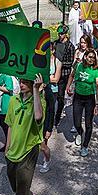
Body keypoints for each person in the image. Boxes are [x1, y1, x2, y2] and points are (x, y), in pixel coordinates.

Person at [4, 73, 46, 195]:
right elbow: (10, 125)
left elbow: (38, 117)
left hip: (28, 153)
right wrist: (7, 149)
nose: (21, 84)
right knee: (17, 188)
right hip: (12, 153)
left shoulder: (38, 102)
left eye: (25, 82)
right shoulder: (13, 101)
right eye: (20, 81)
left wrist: (36, 90)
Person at [66, 48, 98, 157]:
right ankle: (80, 133)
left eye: (93, 57)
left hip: (89, 98)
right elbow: (71, 76)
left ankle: (85, 146)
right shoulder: (78, 66)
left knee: (88, 124)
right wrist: (68, 87)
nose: (92, 59)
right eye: (90, 57)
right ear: (85, 56)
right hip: (78, 97)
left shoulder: (95, 70)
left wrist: (97, 104)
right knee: (77, 123)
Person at [39, 42, 60, 173]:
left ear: (52, 50)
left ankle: (46, 160)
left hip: (51, 92)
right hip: (37, 113)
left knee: (44, 140)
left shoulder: (57, 62)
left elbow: (56, 79)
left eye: (49, 50)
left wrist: (49, 128)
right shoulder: (40, 62)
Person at [54, 24, 75, 127]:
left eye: (61, 34)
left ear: (66, 34)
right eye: (59, 33)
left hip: (63, 75)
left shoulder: (70, 46)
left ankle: (57, 117)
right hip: (53, 74)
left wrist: (60, 64)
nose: (59, 35)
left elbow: (70, 62)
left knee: (60, 97)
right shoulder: (55, 43)